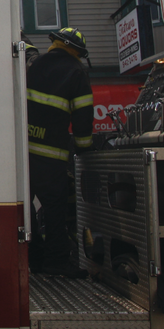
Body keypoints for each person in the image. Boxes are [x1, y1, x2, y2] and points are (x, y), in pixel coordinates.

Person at [26, 27, 93, 279]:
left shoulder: (35, 65)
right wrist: (85, 149)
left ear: (54, 43)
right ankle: (56, 262)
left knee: (25, 209)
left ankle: (34, 256)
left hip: (24, 154)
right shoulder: (76, 71)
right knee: (54, 209)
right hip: (51, 157)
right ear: (77, 51)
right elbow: (83, 117)